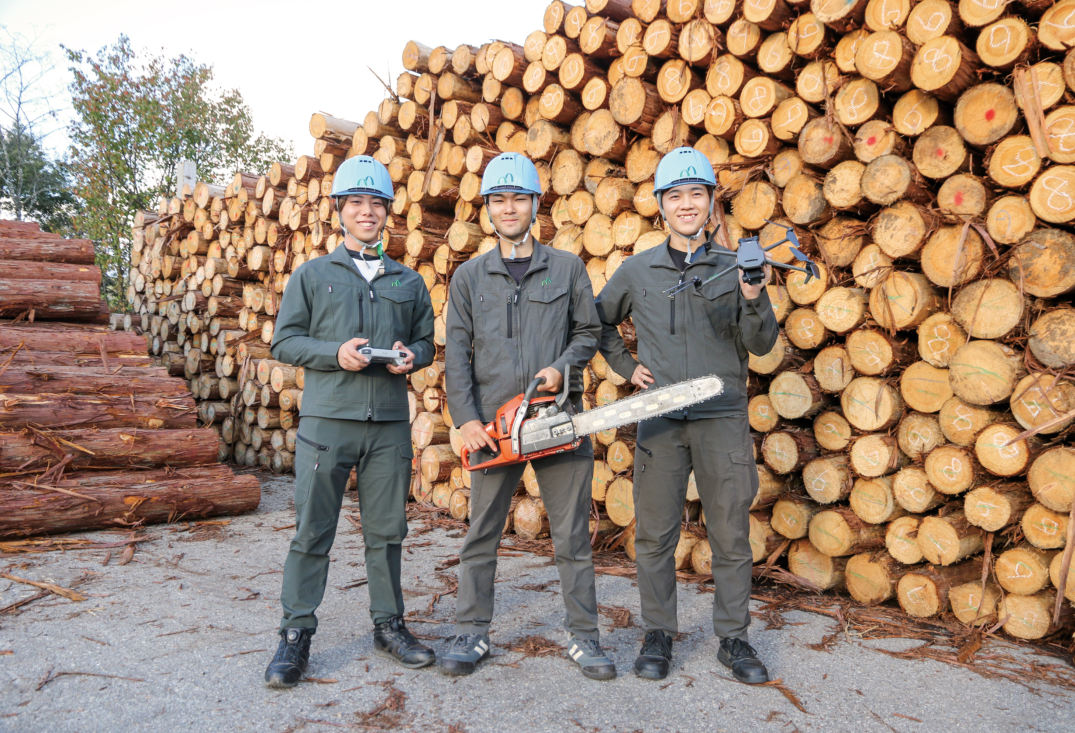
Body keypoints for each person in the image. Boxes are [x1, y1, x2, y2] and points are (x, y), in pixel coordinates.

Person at [594, 147, 780, 683]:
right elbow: (599, 322)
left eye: (695, 194)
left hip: (722, 416)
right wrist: (627, 366)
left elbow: (762, 345)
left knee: (729, 533)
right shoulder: (638, 269)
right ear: (661, 206)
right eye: (674, 196)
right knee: (655, 534)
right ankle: (658, 633)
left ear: (710, 201)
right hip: (661, 419)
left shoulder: (735, 265)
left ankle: (734, 638)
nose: (686, 204)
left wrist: (753, 294)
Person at [439, 153, 615, 680]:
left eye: (519, 198)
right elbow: (456, 354)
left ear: (536, 203)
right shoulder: (470, 277)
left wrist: (564, 368)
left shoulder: (566, 267)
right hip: (495, 426)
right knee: (481, 533)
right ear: (488, 209)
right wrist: (468, 418)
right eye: (499, 200)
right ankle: (472, 632)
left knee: (570, 536)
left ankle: (584, 637)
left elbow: (588, 333)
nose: (509, 208)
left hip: (557, 419)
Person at [263, 155, 437, 688]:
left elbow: (428, 341)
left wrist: (416, 357)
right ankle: (295, 635)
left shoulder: (408, 281)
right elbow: (284, 341)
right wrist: (333, 354)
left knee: (387, 532)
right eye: (356, 202)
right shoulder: (314, 275)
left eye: (376, 203)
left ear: (388, 212)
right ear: (339, 210)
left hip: (387, 425)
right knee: (313, 531)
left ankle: (389, 625)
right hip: (327, 424)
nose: (367, 212)